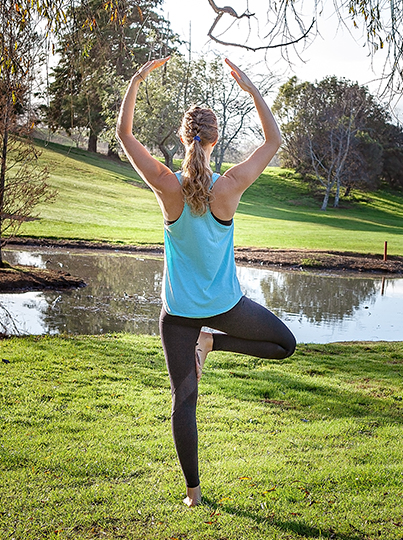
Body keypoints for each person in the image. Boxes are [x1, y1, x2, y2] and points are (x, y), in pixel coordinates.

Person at [116, 57, 296, 507]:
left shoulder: (166, 185)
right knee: (284, 345)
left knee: (185, 400)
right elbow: (274, 141)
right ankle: (214, 342)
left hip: (178, 315)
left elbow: (124, 135)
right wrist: (253, 89)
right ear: (217, 139)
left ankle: (193, 495)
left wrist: (138, 80)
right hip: (224, 308)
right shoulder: (229, 185)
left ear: (182, 138)